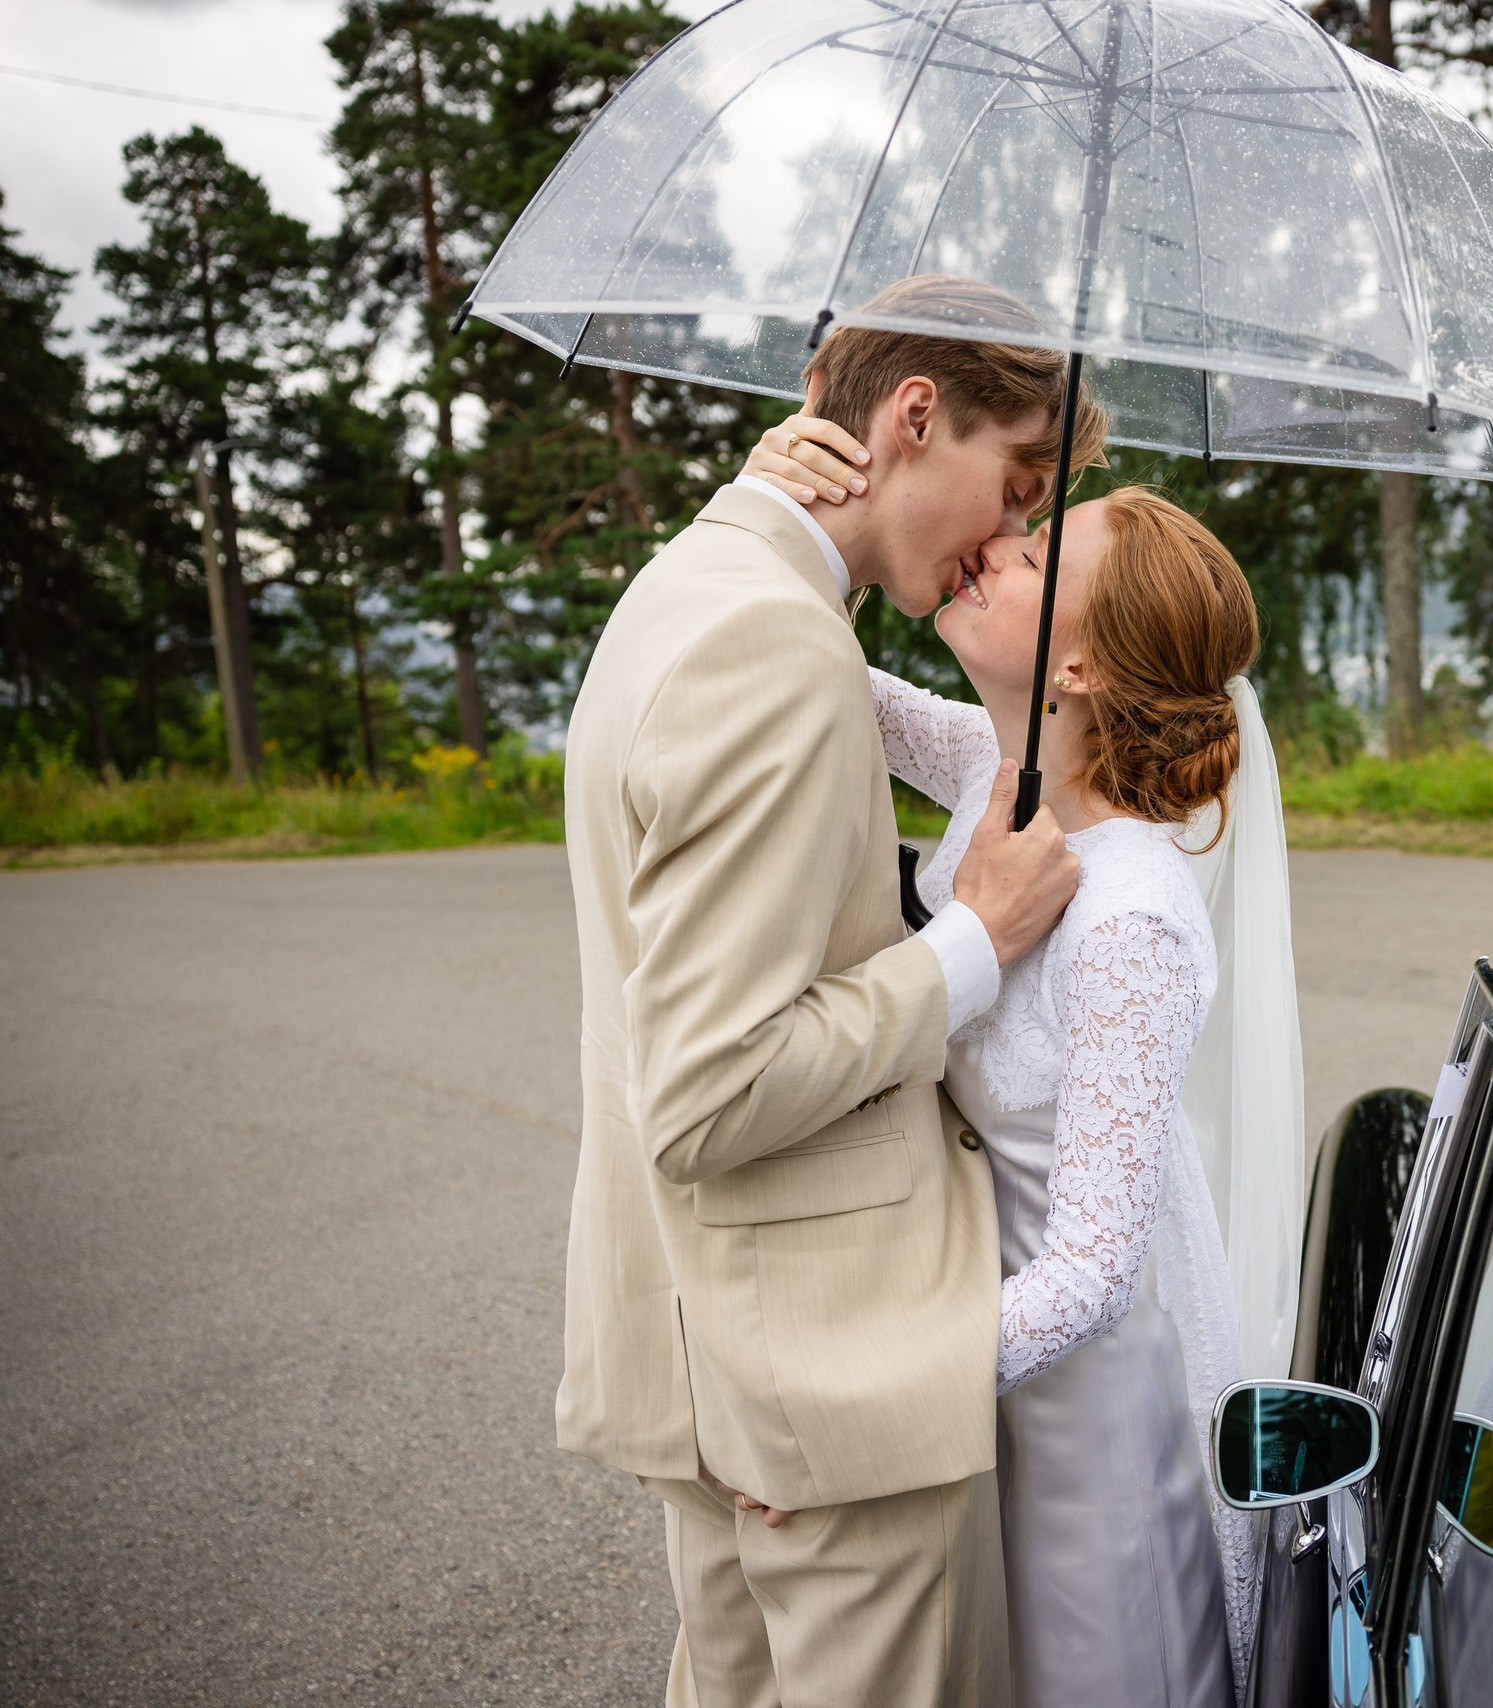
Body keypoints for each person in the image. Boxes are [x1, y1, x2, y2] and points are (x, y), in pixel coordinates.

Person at [559, 274, 1102, 1708]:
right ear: (916, 416)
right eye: (1017, 480)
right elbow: (710, 1086)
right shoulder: (775, 647)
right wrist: (972, 942)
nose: (1015, 534)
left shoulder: (701, 583)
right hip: (829, 1386)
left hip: (724, 1356)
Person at [745, 419, 1308, 1707]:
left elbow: (1097, 1279)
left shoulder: (1131, 917)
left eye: (1040, 548)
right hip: (984, 1371)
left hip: (1088, 1435)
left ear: (1089, 666)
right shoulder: (995, 773)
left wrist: (867, 1406)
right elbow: (822, 672)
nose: (997, 546)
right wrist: (793, 490)